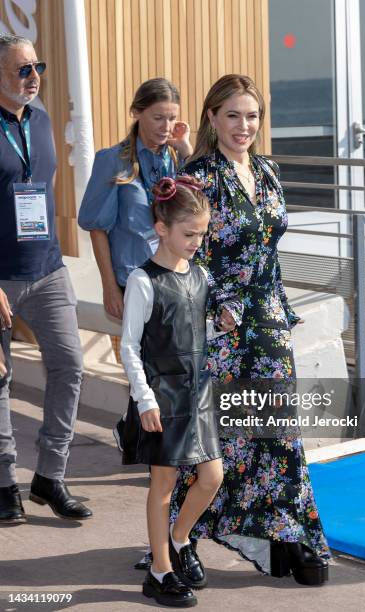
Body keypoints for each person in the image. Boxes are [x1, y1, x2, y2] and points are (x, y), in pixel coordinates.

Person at [169, 74, 330, 585]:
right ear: (212, 117)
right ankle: (180, 536)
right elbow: (186, 253)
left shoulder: (268, 170)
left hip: (268, 324)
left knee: (279, 432)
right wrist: (217, 304)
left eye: (253, 116)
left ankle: (288, 533)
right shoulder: (199, 175)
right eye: (233, 115)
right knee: (217, 437)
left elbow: (269, 251)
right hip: (219, 327)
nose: (244, 125)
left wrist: (277, 310)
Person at [120, 176, 241, 607]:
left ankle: (179, 537)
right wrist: (145, 399)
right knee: (164, 484)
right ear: (161, 229)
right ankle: (159, 571)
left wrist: (217, 325)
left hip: (198, 392)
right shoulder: (142, 280)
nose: (196, 242)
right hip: (163, 396)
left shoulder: (201, 275)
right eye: (189, 234)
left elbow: (190, 329)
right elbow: (129, 345)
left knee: (213, 476)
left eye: (202, 234)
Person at [0, 33, 91, 522]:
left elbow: (44, 186)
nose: (35, 77)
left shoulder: (42, 120)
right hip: (1, 277)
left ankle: (50, 476)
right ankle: (2, 482)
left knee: (70, 365)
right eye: (23, 70)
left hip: (48, 269)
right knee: (1, 379)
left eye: (39, 67)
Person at [78, 77, 192, 452]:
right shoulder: (113, 161)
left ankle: (136, 434)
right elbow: (96, 228)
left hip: (174, 279)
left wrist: (187, 152)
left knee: (170, 369)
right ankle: (154, 448)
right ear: (137, 112)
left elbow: (193, 215)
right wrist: (110, 288)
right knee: (144, 369)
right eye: (158, 117)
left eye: (171, 118)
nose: (164, 126)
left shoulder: (176, 157)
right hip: (131, 280)